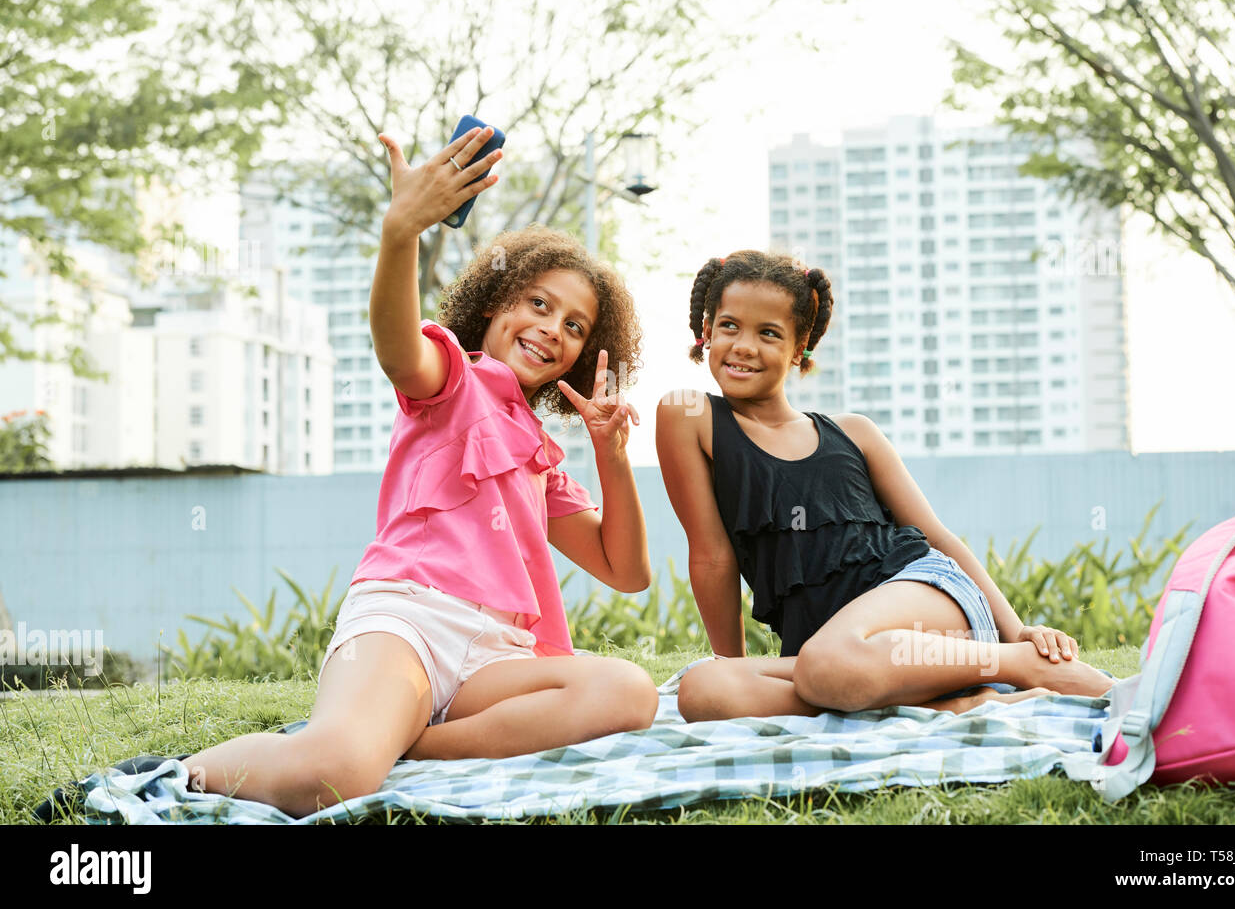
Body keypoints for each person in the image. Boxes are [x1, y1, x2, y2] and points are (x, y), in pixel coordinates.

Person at [175, 127, 658, 818]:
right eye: (539, 303)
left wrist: (612, 456)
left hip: (495, 658)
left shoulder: (539, 452)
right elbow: (400, 350)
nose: (554, 328)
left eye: (576, 326)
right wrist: (401, 230)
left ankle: (415, 747)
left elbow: (626, 570)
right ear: (493, 303)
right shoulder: (453, 378)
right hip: (407, 621)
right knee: (334, 775)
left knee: (630, 691)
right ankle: (185, 774)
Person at [655, 250, 1116, 722]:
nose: (744, 346)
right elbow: (713, 556)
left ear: (798, 349)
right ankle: (965, 702)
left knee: (827, 662)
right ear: (707, 330)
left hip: (925, 598)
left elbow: (937, 537)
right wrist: (732, 665)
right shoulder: (689, 415)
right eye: (730, 326)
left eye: (768, 333)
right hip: (834, 657)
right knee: (705, 690)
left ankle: (1018, 665)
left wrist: (1015, 632)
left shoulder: (854, 432)